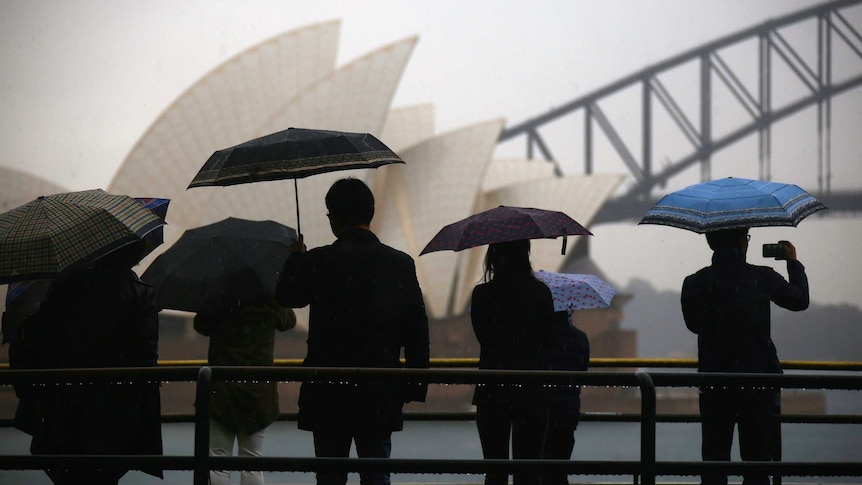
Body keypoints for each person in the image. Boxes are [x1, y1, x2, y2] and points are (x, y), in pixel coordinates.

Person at [275, 177, 430, 485]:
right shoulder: (399, 263)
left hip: (329, 388)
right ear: (370, 212)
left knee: (330, 476)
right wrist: (414, 384)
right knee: (376, 474)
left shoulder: (319, 261)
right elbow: (416, 329)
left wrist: (295, 258)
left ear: (334, 216)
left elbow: (286, 296)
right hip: (380, 387)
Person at [681, 228, 809, 485]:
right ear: (743, 242)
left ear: (710, 242)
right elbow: (799, 300)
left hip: (715, 383)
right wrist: (793, 262)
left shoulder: (694, 283)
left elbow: (694, 324)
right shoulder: (762, 278)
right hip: (756, 382)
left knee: (714, 461)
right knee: (757, 462)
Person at [32, 240, 163, 485]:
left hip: (68, 400)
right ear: (134, 256)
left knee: (70, 471)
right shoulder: (142, 293)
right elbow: (146, 355)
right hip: (117, 406)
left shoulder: (68, 287)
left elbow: (47, 339)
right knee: (106, 473)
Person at [470, 239, 555, 485]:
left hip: (492, 389)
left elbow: (483, 338)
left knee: (495, 469)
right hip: (531, 388)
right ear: (525, 254)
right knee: (528, 471)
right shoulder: (540, 293)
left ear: (493, 256)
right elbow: (549, 341)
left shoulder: (482, 295)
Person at [194, 296, 296, 485]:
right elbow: (289, 321)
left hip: (221, 389)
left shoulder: (220, 297)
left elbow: (200, 324)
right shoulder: (269, 300)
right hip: (257, 392)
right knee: (252, 461)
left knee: (218, 461)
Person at [542, 310, 590, 485]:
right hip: (569, 410)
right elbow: (583, 370)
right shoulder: (581, 338)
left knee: (540, 465)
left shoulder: (541, 338)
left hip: (543, 408)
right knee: (561, 465)